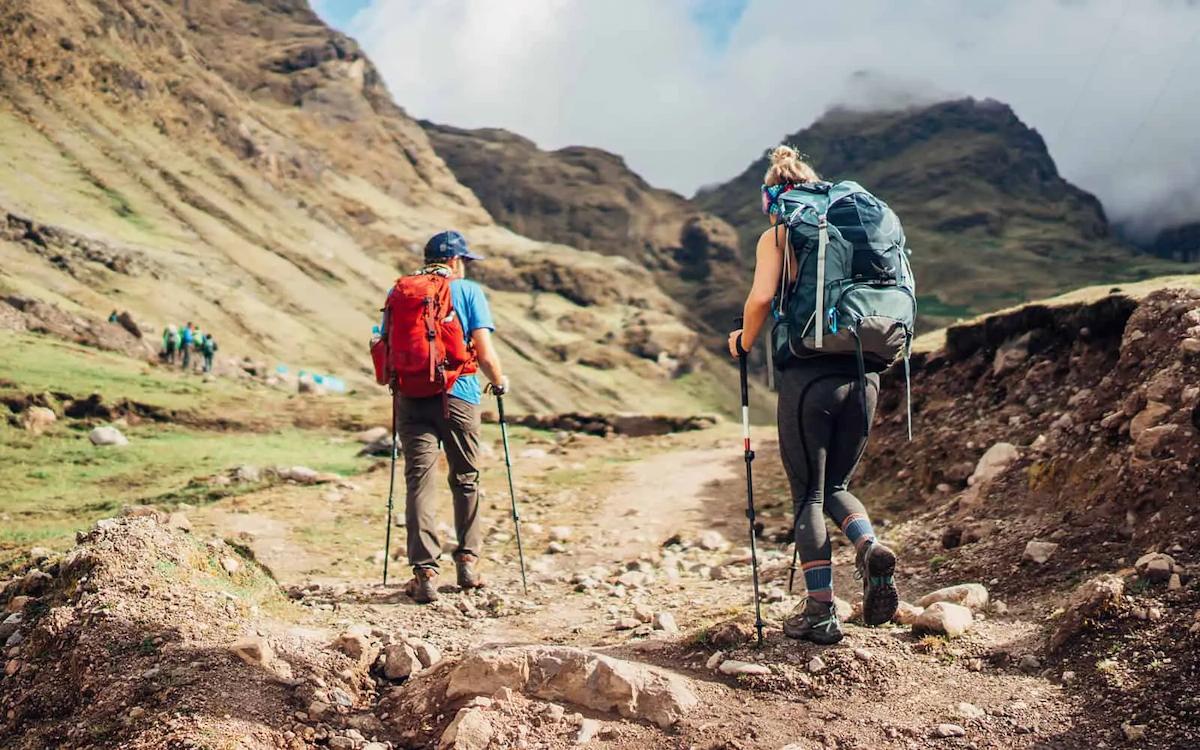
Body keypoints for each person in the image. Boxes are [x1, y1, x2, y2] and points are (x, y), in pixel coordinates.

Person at [727, 145, 899, 645]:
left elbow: (761, 297)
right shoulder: (858, 226)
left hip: (809, 376)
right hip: (867, 373)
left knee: (809, 495)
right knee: (839, 484)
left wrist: (744, 340)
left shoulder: (780, 232)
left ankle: (821, 613)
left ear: (773, 194)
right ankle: (868, 547)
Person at [384, 230, 507, 604]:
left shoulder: (399, 292)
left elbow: (386, 342)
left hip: (411, 395)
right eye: (466, 261)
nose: (467, 268)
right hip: (460, 395)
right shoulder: (468, 293)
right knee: (465, 478)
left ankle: (424, 573)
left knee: (419, 481)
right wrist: (499, 382)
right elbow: (483, 351)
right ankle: (467, 563)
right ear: (455, 261)